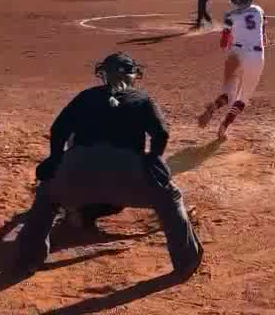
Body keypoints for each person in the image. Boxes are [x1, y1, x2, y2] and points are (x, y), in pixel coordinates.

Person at [16, 52, 202, 278]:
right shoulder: (143, 99)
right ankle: (186, 263)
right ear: (134, 75)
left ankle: (28, 259)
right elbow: (161, 133)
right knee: (171, 197)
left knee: (47, 196)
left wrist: (55, 159)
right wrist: (153, 159)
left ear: (103, 74)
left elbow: (58, 130)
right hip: (128, 175)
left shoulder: (85, 97)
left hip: (77, 172)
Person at [197, 0, 266, 139]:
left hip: (235, 54)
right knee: (243, 97)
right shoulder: (259, 11)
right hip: (255, 57)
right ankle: (224, 127)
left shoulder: (230, 16)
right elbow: (263, 37)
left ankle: (215, 106)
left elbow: (224, 43)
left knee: (228, 94)